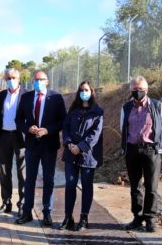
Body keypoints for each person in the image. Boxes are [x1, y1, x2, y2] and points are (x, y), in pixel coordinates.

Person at [15, 70, 66, 226]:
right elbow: (18, 119)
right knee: (29, 179)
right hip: (31, 145)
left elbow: (63, 121)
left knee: (48, 179)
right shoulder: (26, 97)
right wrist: (27, 129)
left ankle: (47, 213)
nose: (37, 82)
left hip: (49, 145)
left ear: (47, 81)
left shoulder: (56, 98)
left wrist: (48, 130)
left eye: (41, 79)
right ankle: (27, 212)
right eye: (35, 80)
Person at [120, 75, 162, 232]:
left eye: (141, 89)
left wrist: (158, 145)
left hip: (151, 150)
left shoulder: (157, 106)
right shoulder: (126, 108)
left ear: (147, 89)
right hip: (132, 150)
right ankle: (137, 217)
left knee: (151, 186)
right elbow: (123, 127)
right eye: (135, 89)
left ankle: (150, 218)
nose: (138, 91)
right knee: (135, 186)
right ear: (130, 90)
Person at [59, 81, 103, 231]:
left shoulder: (98, 111)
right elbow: (65, 128)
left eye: (86, 90)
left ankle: (84, 218)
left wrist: (81, 147)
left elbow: (95, 134)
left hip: (88, 155)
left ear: (91, 92)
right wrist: (69, 143)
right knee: (70, 184)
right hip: (71, 153)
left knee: (86, 185)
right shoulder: (73, 110)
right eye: (81, 90)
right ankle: (68, 217)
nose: (84, 92)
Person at [0, 68, 26, 217]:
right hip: (3, 137)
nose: (10, 80)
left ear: (18, 79)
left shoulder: (27, 95)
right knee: (4, 171)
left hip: (20, 137)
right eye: (8, 78)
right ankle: (6, 202)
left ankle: (22, 204)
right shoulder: (1, 96)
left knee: (22, 172)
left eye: (13, 77)